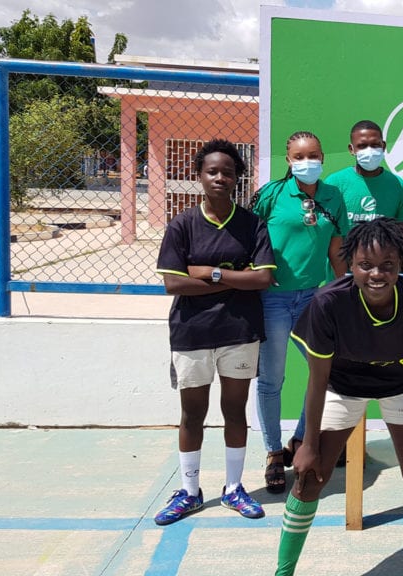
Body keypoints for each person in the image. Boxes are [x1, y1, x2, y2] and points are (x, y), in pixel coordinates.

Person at [274, 218, 403, 576]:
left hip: (400, 383)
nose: (376, 274)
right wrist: (306, 443)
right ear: (349, 265)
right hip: (344, 383)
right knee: (309, 476)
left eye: (387, 265)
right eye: (365, 265)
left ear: (401, 264)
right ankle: (283, 571)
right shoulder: (328, 302)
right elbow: (318, 379)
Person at [153, 139, 276, 525]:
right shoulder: (182, 225)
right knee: (192, 414)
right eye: (212, 171)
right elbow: (174, 284)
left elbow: (264, 278)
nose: (220, 177)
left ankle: (234, 488)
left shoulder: (252, 224)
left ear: (238, 177)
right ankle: (189, 492)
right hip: (192, 333)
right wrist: (237, 280)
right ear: (199, 176)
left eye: (228, 171)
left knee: (234, 411)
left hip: (239, 331)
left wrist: (210, 273)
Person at [252, 131, 351, 494]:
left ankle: (298, 439)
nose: (306, 161)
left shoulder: (333, 196)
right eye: (298, 156)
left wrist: (345, 293)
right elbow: (249, 239)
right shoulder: (270, 195)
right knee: (271, 379)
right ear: (288, 159)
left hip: (313, 298)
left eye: (313, 155)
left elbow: (337, 251)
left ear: (323, 156)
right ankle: (273, 454)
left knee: (325, 371)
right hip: (273, 299)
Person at [323, 119, 403, 245]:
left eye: (375, 145)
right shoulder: (334, 183)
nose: (369, 150)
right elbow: (324, 233)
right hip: (343, 264)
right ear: (351, 149)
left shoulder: (397, 185)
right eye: (362, 146)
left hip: (382, 264)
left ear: (383, 146)